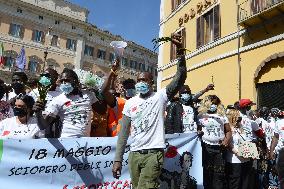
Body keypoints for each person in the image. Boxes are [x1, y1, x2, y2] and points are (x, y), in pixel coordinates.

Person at [112, 34, 187, 189]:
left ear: (151, 83)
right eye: (138, 80)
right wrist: (118, 159)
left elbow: (180, 78)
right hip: (134, 155)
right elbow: (124, 133)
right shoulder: (130, 103)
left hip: (154, 154)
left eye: (144, 80)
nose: (140, 83)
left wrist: (180, 53)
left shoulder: (161, 96)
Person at [33, 63, 118, 138]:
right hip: (67, 141)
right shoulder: (58, 100)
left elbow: (102, 110)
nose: (63, 84)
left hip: (85, 143)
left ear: (76, 81)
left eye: (66, 81)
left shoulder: (88, 94)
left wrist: (97, 92)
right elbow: (43, 126)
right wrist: (38, 113)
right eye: (61, 81)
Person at [197, 95, 232, 189]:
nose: (214, 105)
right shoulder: (200, 116)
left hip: (219, 148)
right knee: (207, 171)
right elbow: (198, 130)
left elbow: (228, 131)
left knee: (219, 172)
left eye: (216, 103)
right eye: (212, 103)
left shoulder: (222, 116)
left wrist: (226, 140)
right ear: (206, 103)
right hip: (205, 147)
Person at [226, 107, 255, 189]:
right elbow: (228, 145)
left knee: (245, 182)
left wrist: (252, 153)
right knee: (235, 183)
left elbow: (247, 140)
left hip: (246, 159)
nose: (240, 118)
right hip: (235, 160)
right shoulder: (228, 129)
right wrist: (238, 153)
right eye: (238, 116)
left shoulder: (242, 127)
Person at [270, 111, 284, 189]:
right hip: (281, 152)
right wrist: (272, 150)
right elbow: (275, 137)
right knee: (281, 175)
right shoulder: (279, 122)